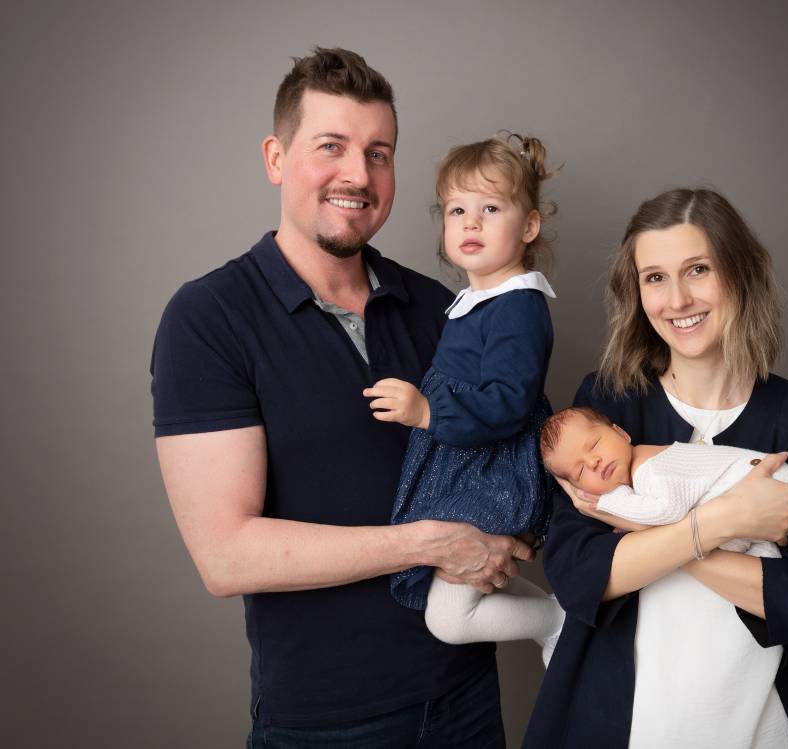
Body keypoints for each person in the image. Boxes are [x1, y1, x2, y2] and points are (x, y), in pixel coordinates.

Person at [150, 47, 534, 748]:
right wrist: (429, 544)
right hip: (325, 722)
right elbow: (226, 556)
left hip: (468, 698)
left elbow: (506, 444)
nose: (358, 174)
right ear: (276, 158)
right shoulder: (209, 318)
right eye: (332, 146)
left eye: (378, 154)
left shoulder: (441, 307)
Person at [524, 188, 788, 749]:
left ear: (740, 273)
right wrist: (726, 521)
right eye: (655, 278)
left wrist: (636, 532)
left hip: (755, 724)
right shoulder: (607, 405)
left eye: (698, 269)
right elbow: (579, 577)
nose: (677, 300)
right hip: (622, 721)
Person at [363, 134, 566, 662]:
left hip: (489, 469)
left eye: (490, 208)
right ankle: (557, 623)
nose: (470, 223)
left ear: (529, 226)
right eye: (457, 210)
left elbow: (509, 402)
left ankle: (560, 626)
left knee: (450, 617)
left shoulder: (518, 305)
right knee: (468, 583)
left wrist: (428, 411)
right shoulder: (477, 299)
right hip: (467, 460)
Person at [540, 404, 788, 557]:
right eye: (581, 472)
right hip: (758, 499)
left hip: (767, 481)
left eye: (594, 444)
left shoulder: (650, 467)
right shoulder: (643, 471)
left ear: (620, 433)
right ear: (578, 488)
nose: (593, 462)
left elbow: (668, 511)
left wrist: (608, 504)